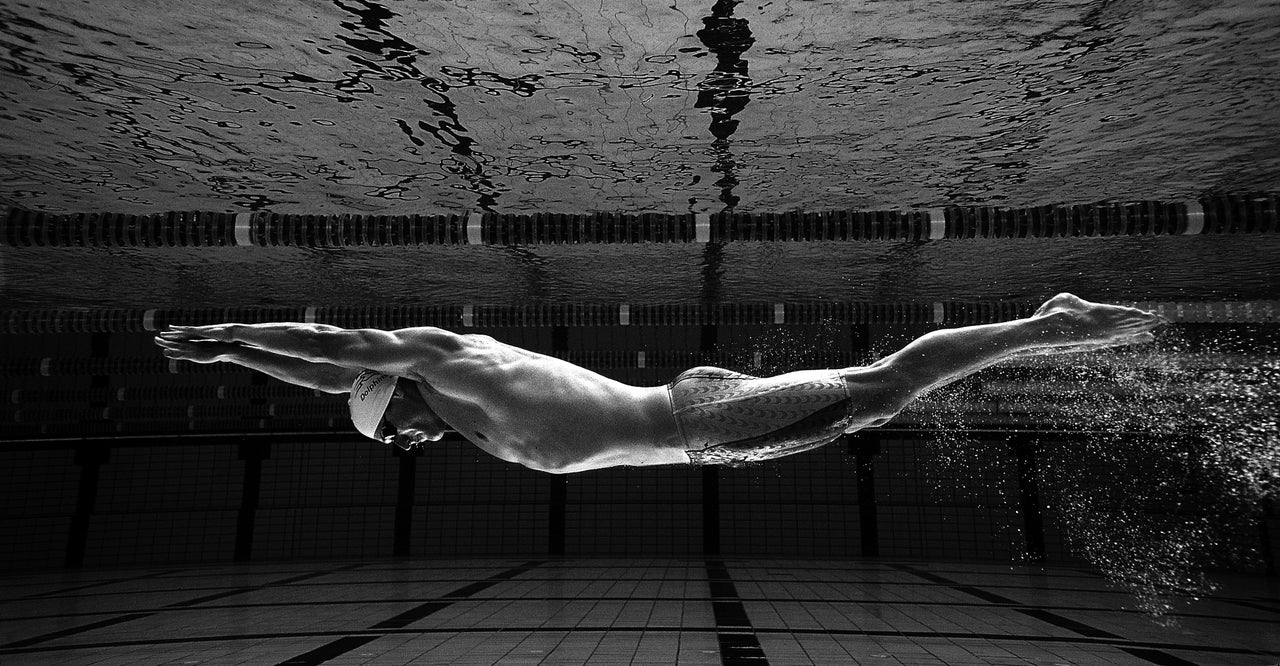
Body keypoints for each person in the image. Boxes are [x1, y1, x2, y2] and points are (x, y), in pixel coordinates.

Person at [153, 293, 1164, 473]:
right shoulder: (446, 413)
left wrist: (237, 329)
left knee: (890, 385)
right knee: (885, 395)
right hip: (704, 436)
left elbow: (340, 351)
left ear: (397, 393)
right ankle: (1049, 326)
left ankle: (1052, 325)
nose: (408, 447)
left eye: (395, 434)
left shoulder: (448, 362)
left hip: (699, 421)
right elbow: (326, 378)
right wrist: (242, 361)